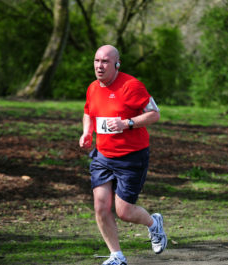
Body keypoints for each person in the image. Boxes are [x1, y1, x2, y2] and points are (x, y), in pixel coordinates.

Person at [79, 45, 167, 265]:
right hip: (103, 156)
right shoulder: (92, 88)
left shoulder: (132, 86)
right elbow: (88, 112)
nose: (100, 66)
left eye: (105, 62)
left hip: (131, 156)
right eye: (97, 61)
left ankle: (153, 224)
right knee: (100, 206)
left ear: (117, 64)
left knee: (124, 211)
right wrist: (87, 132)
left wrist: (126, 123)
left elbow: (154, 115)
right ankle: (116, 256)